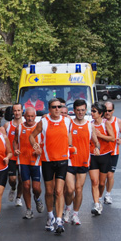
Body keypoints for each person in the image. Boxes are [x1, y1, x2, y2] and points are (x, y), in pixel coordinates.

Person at [29, 98, 73, 234]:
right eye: (54, 107)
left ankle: (59, 220)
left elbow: (69, 135)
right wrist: (34, 144)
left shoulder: (67, 121)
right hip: (48, 160)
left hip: (63, 160)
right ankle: (50, 216)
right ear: (49, 109)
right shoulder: (44, 122)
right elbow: (32, 135)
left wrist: (70, 146)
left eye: (59, 107)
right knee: (49, 191)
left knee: (59, 191)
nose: (57, 109)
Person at [63, 99, 100, 225]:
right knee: (69, 189)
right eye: (78, 110)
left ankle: (75, 214)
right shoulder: (69, 124)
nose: (80, 112)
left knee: (79, 190)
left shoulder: (90, 125)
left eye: (83, 110)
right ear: (74, 111)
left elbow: (96, 142)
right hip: (70, 162)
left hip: (84, 162)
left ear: (86, 110)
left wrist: (96, 148)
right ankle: (67, 208)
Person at [13, 106, 44, 219]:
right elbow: (15, 141)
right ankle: (29, 209)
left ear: (35, 116)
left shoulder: (40, 127)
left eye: (32, 116)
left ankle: (37, 198)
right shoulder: (19, 128)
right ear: (24, 116)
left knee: (36, 188)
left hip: (36, 161)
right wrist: (16, 149)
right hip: (23, 160)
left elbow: (45, 142)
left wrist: (40, 150)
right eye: (28, 116)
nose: (30, 118)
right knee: (26, 186)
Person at [89, 102, 115, 216]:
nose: (92, 113)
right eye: (91, 111)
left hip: (105, 155)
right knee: (94, 181)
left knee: (101, 182)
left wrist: (100, 136)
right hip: (93, 155)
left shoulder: (106, 123)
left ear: (100, 114)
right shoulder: (89, 124)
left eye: (94, 111)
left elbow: (112, 138)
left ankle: (99, 197)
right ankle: (96, 203)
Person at [103, 101, 121, 205]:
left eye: (109, 110)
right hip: (101, 153)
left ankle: (108, 194)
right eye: (105, 110)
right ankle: (98, 197)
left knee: (110, 175)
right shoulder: (99, 121)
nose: (107, 112)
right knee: (100, 178)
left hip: (113, 152)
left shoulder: (118, 121)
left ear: (113, 111)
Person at [4, 103, 24, 206]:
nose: (17, 113)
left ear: (22, 111)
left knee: (21, 179)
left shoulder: (26, 124)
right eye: (15, 111)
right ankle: (13, 188)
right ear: (13, 112)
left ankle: (19, 197)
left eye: (18, 110)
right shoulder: (8, 125)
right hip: (11, 156)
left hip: (22, 157)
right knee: (12, 179)